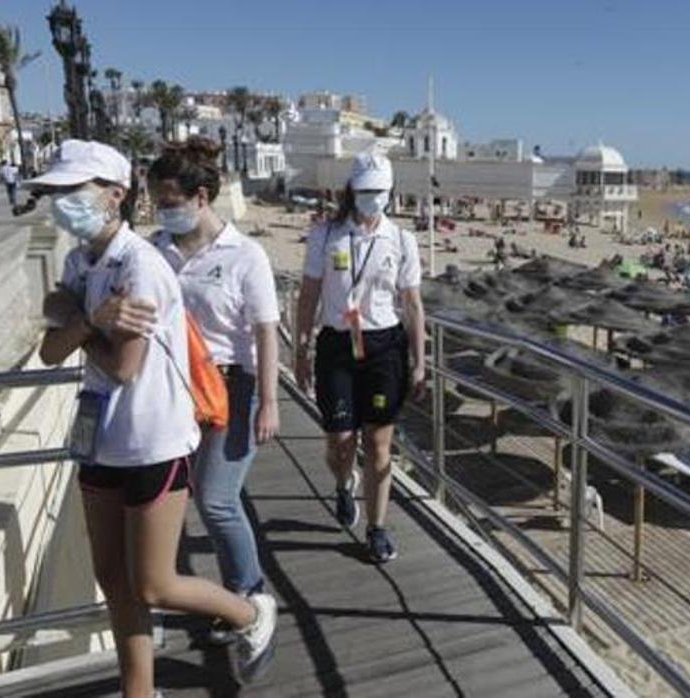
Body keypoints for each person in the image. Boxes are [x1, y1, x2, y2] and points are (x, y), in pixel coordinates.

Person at [33, 140, 277, 694]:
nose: (60, 202)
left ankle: (248, 612)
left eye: (72, 191)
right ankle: (139, 692)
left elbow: (123, 366)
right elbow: (50, 348)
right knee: (113, 580)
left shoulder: (142, 265)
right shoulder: (80, 261)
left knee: (155, 584)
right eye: (55, 192)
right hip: (99, 439)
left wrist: (79, 322)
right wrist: (86, 318)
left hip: (152, 439)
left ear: (114, 195)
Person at [96, 138, 282, 643]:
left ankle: (251, 596)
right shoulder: (154, 249)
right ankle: (207, 595)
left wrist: (269, 400)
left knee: (217, 498)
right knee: (187, 496)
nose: (163, 211)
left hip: (229, 387)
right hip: (172, 387)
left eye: (172, 202)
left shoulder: (245, 255)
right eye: (158, 201)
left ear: (202, 197)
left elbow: (265, 330)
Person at [295, 152, 426, 564]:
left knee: (378, 441)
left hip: (384, 348)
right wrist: (301, 349)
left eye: (380, 192)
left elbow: (413, 305)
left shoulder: (402, 240)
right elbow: (310, 293)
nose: (372, 199)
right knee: (340, 442)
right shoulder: (326, 235)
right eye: (365, 191)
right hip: (337, 344)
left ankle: (377, 527)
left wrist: (420, 361)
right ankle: (341, 482)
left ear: (390, 193)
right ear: (352, 191)